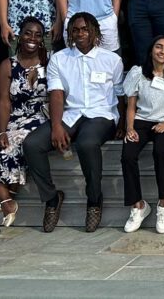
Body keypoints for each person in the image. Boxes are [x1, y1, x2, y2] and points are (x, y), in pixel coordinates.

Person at [23, 13, 125, 233]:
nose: (80, 34)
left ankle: (94, 200)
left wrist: (123, 123)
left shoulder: (111, 60)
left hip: (102, 115)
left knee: (87, 143)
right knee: (32, 144)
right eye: (75, 30)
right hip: (71, 114)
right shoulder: (60, 59)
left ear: (95, 32)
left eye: (85, 29)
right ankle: (51, 199)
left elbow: (121, 94)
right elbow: (56, 94)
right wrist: (57, 126)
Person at [0, 17, 49, 227]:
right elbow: (4, 101)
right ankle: (8, 202)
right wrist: (1, 131)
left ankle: (6, 199)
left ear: (42, 39)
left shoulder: (49, 62)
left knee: (18, 143)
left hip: (38, 115)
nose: (32, 38)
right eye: (28, 33)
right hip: (10, 113)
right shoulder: (8, 65)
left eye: (37, 34)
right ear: (19, 35)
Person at [121, 36, 164, 235]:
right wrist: (129, 128)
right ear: (151, 50)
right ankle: (138, 205)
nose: (162, 51)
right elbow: (131, 106)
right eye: (159, 47)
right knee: (127, 156)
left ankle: (163, 203)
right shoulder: (138, 73)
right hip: (141, 121)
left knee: (160, 152)